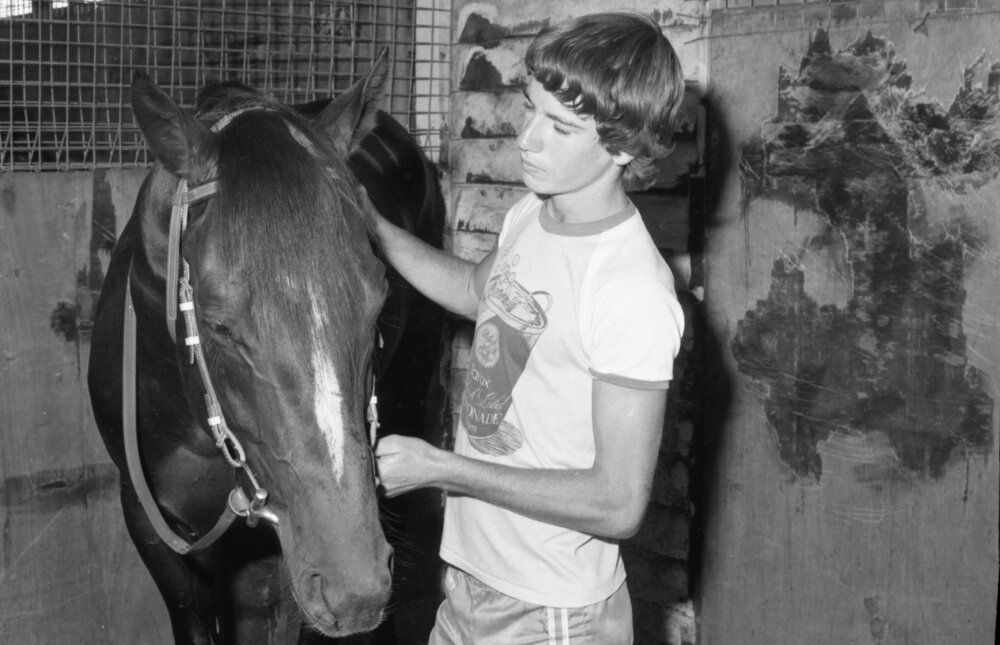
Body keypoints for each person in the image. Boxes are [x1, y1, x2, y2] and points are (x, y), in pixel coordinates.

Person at [370, 11, 686, 644]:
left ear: (623, 147)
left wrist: (442, 469)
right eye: (531, 109)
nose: (527, 139)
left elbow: (618, 504)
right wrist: (372, 226)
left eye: (561, 127)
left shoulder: (629, 290)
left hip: (551, 614)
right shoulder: (531, 215)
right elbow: (469, 290)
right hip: (470, 584)